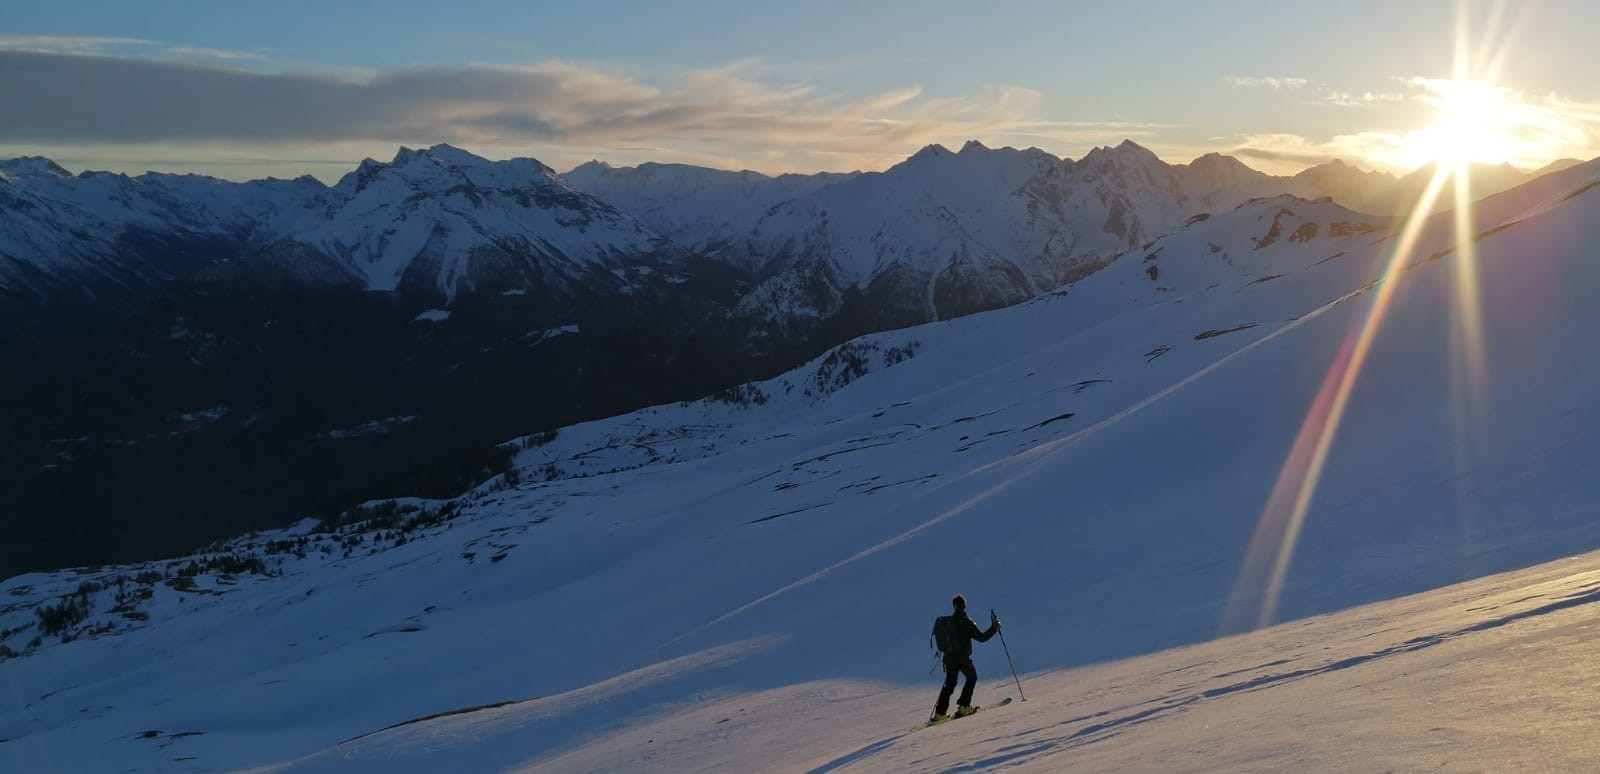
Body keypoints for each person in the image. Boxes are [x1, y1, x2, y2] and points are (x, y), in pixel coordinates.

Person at [932, 594, 1001, 721]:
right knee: (972, 678)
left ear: (954, 606)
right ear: (964, 605)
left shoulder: (948, 621)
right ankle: (964, 706)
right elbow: (982, 637)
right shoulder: (966, 621)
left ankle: (939, 713)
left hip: (949, 658)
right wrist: (994, 628)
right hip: (962, 658)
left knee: (950, 684)